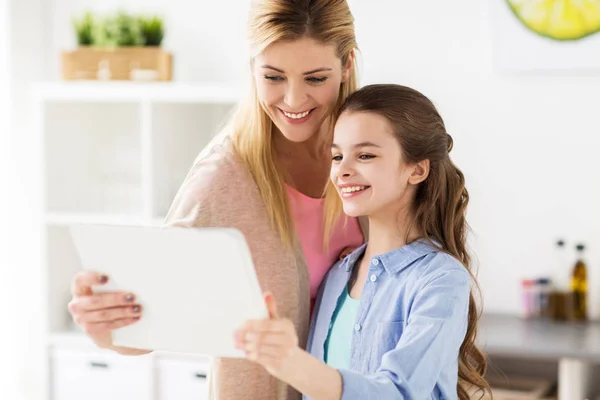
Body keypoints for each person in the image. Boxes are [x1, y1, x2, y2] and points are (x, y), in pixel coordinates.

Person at [66, 1, 366, 400]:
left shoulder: (377, 154)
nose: (294, 100)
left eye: (315, 78)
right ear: (252, 67)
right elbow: (158, 313)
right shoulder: (226, 176)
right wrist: (107, 326)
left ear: (346, 64)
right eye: (273, 77)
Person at [234, 84, 492, 400]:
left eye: (365, 155)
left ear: (417, 169)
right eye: (337, 156)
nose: (342, 170)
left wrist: (291, 362)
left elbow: (399, 393)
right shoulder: (338, 276)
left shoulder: (441, 279)